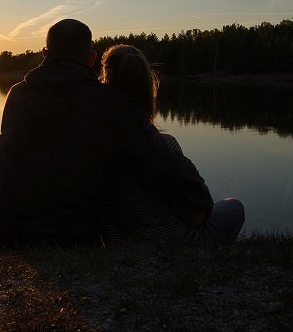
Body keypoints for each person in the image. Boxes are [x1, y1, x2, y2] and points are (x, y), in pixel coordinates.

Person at [0, 19, 214, 253]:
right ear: (91, 58)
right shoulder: (112, 103)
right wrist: (202, 202)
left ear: (45, 53)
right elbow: (162, 164)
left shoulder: (17, 95)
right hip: (68, 240)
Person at [99, 44, 245, 243]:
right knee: (234, 207)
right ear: (147, 86)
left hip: (119, 242)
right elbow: (195, 216)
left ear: (105, 81)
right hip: (172, 241)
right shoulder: (164, 146)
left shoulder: (94, 145)